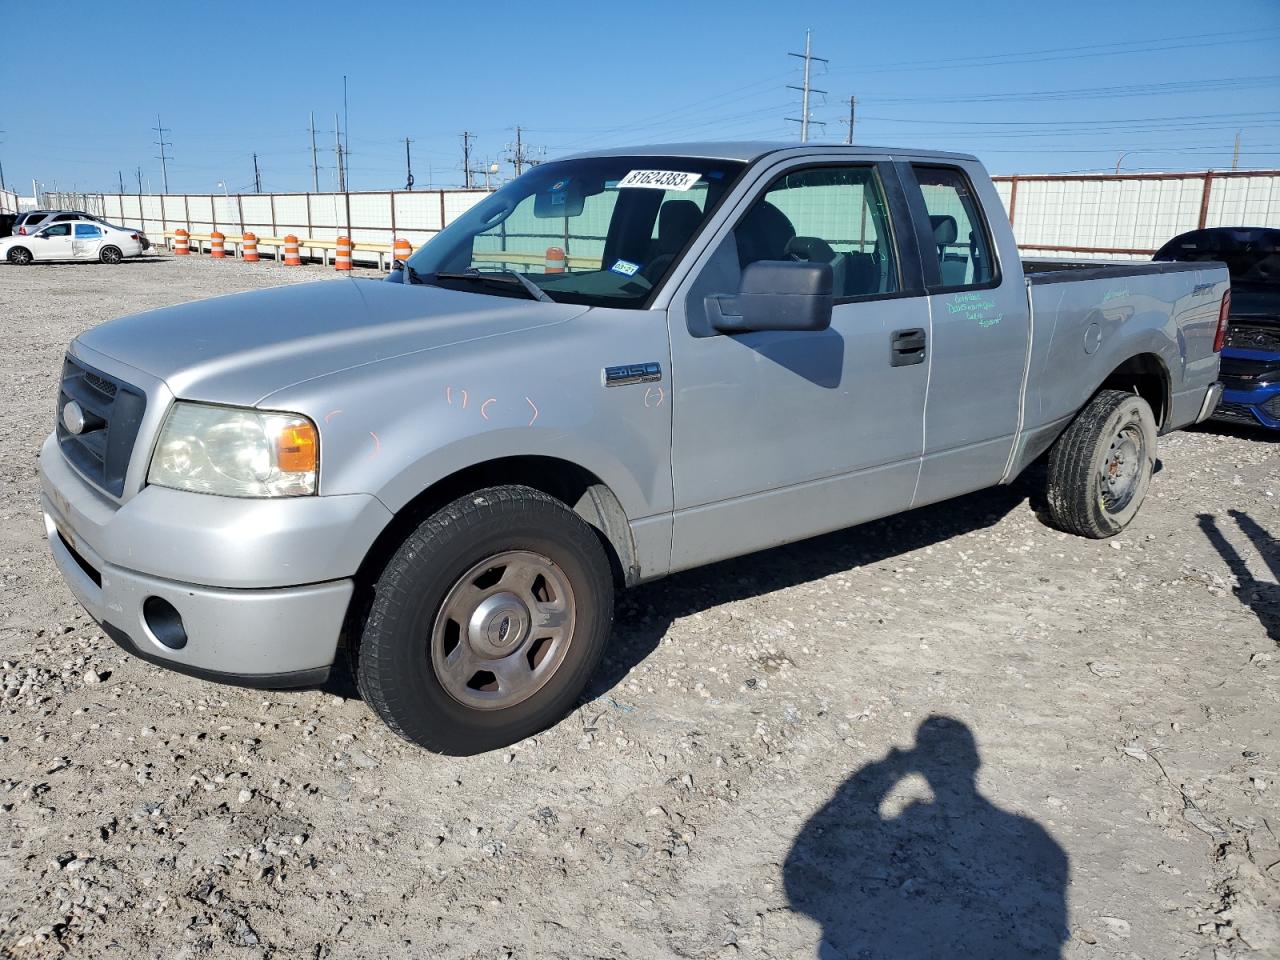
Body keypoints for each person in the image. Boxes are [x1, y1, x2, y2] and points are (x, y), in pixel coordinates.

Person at [784, 715, 1069, 958]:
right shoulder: (1039, 841)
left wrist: (888, 769)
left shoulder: (1036, 841)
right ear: (975, 762)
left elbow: (797, 886)